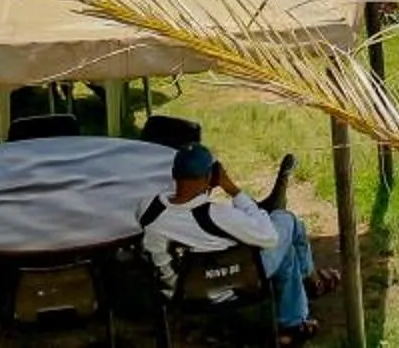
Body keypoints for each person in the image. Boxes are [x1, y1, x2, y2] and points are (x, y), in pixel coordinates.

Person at [139, 144, 334, 336]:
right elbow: (269, 236)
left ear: (173, 174)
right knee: (286, 220)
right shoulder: (215, 215)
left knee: (287, 253)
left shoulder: (148, 210)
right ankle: (310, 278)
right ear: (209, 177)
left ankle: (294, 321)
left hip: (177, 292)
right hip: (230, 284)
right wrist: (232, 189)